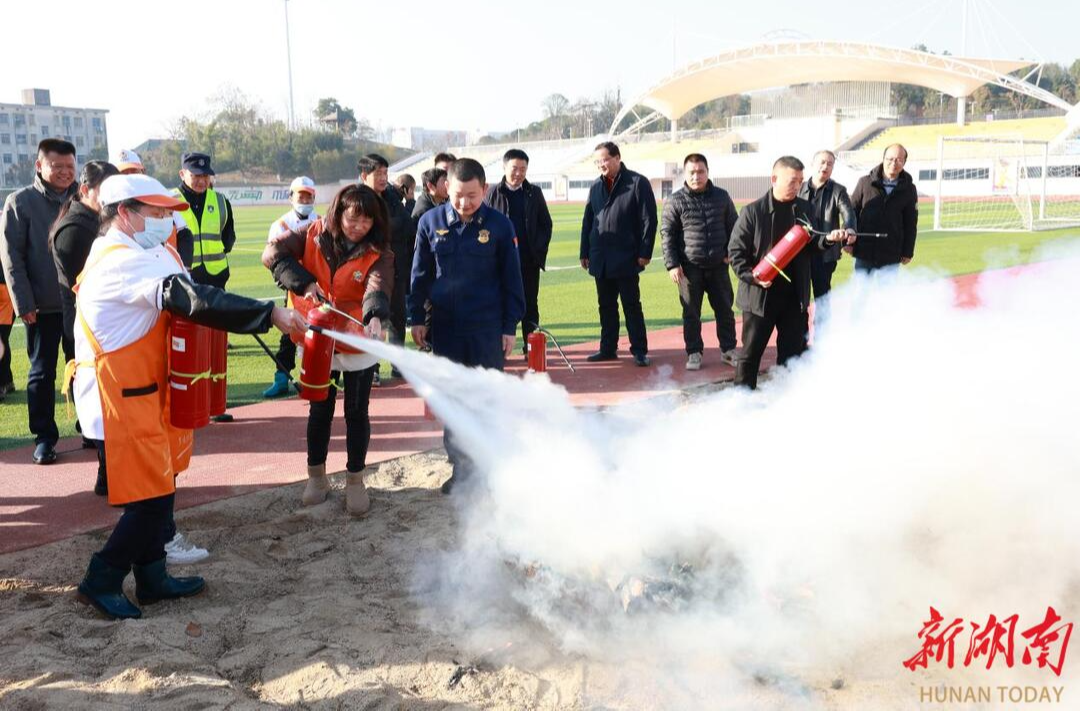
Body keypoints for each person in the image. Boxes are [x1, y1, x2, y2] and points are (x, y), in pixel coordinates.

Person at [71, 174, 306, 620]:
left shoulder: (147, 247)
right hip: (118, 395)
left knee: (163, 485)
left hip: (147, 388)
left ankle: (153, 576)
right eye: (157, 213)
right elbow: (192, 298)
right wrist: (270, 312)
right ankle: (100, 578)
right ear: (125, 213)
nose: (166, 220)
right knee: (149, 501)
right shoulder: (121, 260)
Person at [262, 184, 393, 513]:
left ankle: (355, 479)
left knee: (356, 411)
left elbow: (377, 287)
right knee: (319, 409)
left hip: (357, 339)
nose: (358, 227)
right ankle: (316, 477)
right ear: (338, 214)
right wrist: (305, 283)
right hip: (317, 337)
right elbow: (272, 255)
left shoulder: (380, 251)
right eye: (352, 219)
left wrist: (374, 318)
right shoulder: (312, 232)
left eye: (366, 222)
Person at [409, 158, 525, 494]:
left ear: (484, 190)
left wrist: (508, 326)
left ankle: (489, 466)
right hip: (445, 328)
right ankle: (462, 469)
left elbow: (512, 281)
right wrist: (416, 317)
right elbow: (419, 276)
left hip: (487, 328)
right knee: (454, 400)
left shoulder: (501, 226)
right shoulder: (430, 223)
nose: (464, 203)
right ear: (447, 188)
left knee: (487, 398)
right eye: (458, 195)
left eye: (472, 196)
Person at [728, 156, 853, 390]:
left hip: (794, 297)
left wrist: (827, 240)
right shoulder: (752, 212)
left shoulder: (805, 208)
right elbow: (736, 253)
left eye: (800, 181)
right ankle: (741, 400)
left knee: (793, 355)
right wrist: (752, 276)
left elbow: (812, 243)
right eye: (792, 181)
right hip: (760, 297)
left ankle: (785, 399)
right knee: (750, 356)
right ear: (774, 179)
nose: (797, 186)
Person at [0, 139, 79, 464]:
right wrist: (23, 303)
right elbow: (11, 258)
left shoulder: (83, 198)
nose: (64, 172)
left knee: (85, 371)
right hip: (41, 307)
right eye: (57, 166)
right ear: (39, 166)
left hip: (81, 305)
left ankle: (89, 428)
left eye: (69, 167)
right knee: (42, 373)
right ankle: (45, 437)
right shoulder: (20, 202)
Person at [50, 159, 121, 476]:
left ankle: (110, 469)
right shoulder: (75, 232)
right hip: (91, 326)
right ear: (85, 190)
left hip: (95, 323)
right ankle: (108, 474)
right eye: (105, 192)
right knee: (104, 399)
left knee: (106, 400)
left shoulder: (90, 221)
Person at [172, 152, 237, 422]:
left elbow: (228, 237)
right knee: (186, 346)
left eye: (205, 175)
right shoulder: (170, 201)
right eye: (196, 175)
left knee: (216, 346)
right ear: (182, 174)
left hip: (215, 279)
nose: (201, 180)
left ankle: (216, 404)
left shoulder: (220, 201)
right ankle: (188, 403)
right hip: (183, 283)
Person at [579, 141, 657, 367]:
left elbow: (648, 220)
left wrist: (645, 252)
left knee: (631, 305)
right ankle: (608, 348)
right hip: (600, 257)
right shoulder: (595, 186)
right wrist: (584, 251)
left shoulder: (637, 182)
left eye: (603, 160)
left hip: (627, 256)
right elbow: (588, 221)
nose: (600, 165)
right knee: (605, 306)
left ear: (617, 158)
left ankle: (640, 350)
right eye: (597, 161)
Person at [660, 153, 739, 371]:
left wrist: (731, 252)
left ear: (707, 172)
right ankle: (694, 352)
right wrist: (672, 264)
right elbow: (667, 234)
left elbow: (735, 227)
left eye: (701, 171)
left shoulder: (722, 197)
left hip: (718, 266)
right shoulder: (675, 200)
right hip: (688, 269)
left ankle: (729, 350)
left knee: (725, 310)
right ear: (685, 174)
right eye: (692, 172)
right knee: (691, 313)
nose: (696, 176)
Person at [484, 149, 553, 355]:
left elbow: (545, 225)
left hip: (527, 261)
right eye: (514, 168)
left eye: (523, 169)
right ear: (504, 167)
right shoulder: (492, 193)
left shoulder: (534, 193)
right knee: (499, 304)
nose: (518, 173)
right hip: (499, 262)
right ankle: (499, 348)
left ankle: (531, 348)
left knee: (530, 305)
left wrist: (537, 250)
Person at [262, 176, 320, 398]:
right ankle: (282, 378)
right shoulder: (280, 225)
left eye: (308, 195)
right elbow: (274, 261)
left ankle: (318, 376)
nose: (304, 199)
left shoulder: (322, 221)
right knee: (289, 333)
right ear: (291, 196)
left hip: (318, 287)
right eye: (300, 195)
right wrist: (292, 283)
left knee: (318, 333)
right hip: (292, 287)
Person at [359, 154, 413, 381]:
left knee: (398, 317)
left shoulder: (392, 196)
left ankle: (398, 363)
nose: (383, 178)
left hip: (397, 266)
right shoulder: (358, 198)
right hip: (369, 271)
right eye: (378, 173)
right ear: (364, 176)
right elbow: (374, 230)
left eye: (385, 173)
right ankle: (371, 368)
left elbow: (406, 225)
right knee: (373, 319)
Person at [798, 150, 856, 324]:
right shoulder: (799, 188)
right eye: (822, 162)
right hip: (800, 253)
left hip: (825, 254)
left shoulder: (838, 190)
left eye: (830, 164)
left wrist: (850, 229)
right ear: (813, 164)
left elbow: (848, 213)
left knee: (822, 298)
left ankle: (822, 341)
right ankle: (800, 339)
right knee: (799, 299)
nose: (825, 166)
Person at [850, 144, 918, 273]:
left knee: (886, 293)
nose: (894, 163)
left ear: (904, 162)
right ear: (883, 159)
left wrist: (908, 251)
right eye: (890, 159)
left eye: (899, 160)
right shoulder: (865, 182)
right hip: (865, 251)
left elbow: (911, 222)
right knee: (861, 291)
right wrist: (847, 242)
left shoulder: (909, 189)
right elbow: (852, 212)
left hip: (891, 252)